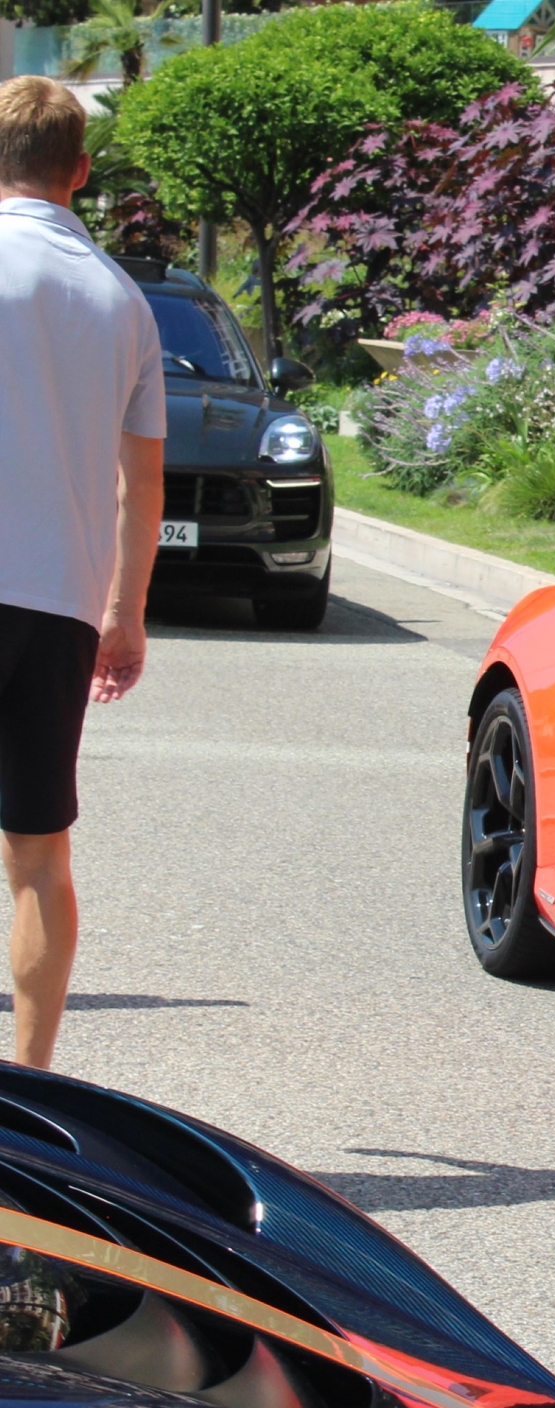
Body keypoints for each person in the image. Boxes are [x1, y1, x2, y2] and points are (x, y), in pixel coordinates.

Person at [0, 77, 166, 1070]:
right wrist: (125, 615)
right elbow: (140, 486)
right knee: (37, 855)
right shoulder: (123, 302)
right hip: (59, 606)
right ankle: (27, 1097)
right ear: (82, 171)